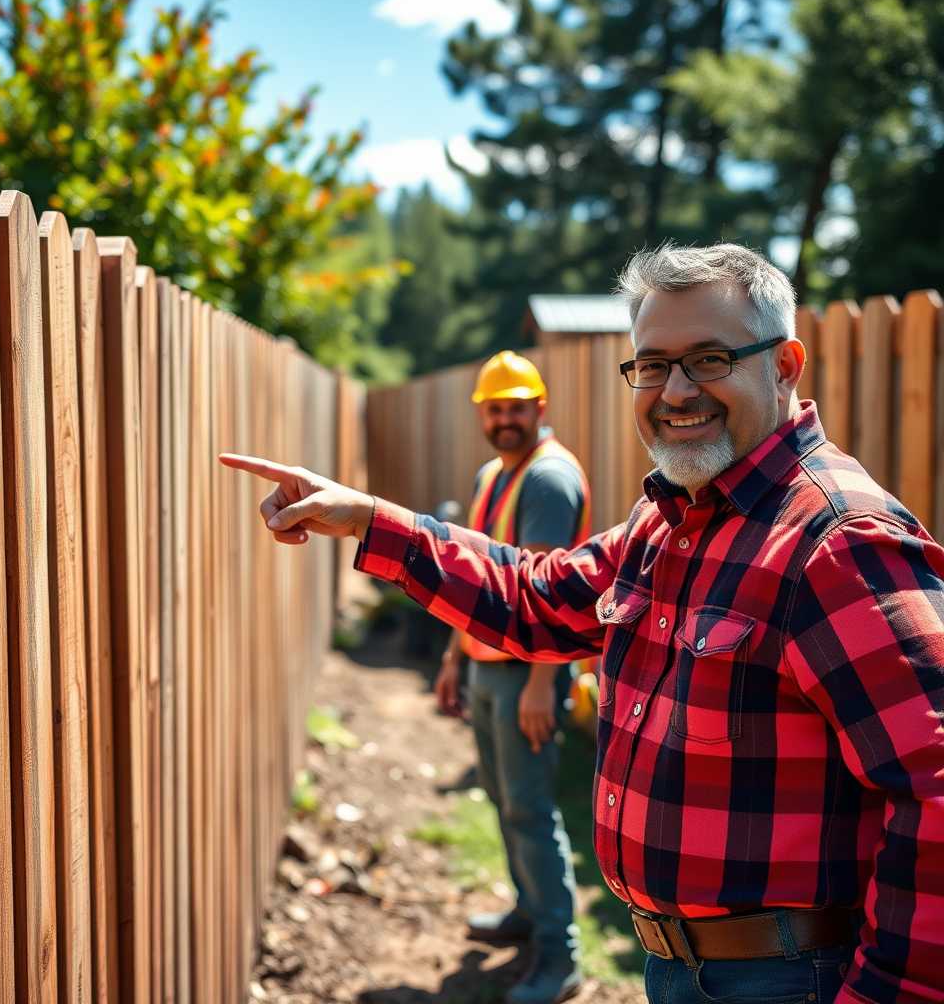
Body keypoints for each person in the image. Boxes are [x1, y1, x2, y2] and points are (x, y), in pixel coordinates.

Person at [220, 243, 944, 1004]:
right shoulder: (670, 520)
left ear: (787, 365)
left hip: (791, 978)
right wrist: (368, 519)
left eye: (708, 359)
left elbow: (934, 790)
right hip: (685, 968)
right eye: (653, 364)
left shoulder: (838, 542)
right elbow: (536, 600)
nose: (675, 390)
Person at [432, 350, 590, 1004]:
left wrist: (538, 685)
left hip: (527, 677)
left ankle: (560, 957)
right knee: (507, 802)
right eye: (494, 408)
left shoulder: (548, 481)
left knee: (530, 809)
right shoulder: (495, 472)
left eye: (515, 407)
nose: (504, 419)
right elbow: (476, 578)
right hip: (487, 664)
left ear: (539, 408)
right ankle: (529, 914)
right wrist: (453, 656)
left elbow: (549, 599)